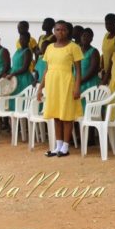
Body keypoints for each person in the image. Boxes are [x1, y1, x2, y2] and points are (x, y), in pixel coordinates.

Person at [37, 20, 83, 158]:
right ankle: (57, 146)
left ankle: (65, 147)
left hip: (66, 83)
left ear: (67, 31)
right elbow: (46, 69)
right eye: (57, 29)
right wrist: (40, 87)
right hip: (52, 84)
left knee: (66, 115)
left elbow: (78, 70)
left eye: (63, 29)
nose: (60, 32)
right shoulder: (50, 47)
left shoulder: (73, 47)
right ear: (54, 31)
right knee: (56, 115)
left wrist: (77, 87)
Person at [7, 33, 35, 110]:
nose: (22, 41)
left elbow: (25, 68)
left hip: (23, 79)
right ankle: (17, 121)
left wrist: (13, 74)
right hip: (15, 79)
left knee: (23, 102)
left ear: (28, 40)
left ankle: (24, 121)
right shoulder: (18, 50)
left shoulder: (27, 51)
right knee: (14, 100)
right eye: (21, 39)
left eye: (24, 39)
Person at [79, 28, 101, 98]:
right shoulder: (77, 50)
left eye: (88, 36)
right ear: (81, 37)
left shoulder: (94, 51)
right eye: (84, 35)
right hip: (78, 83)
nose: (85, 38)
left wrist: (80, 81)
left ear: (91, 39)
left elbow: (93, 70)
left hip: (89, 83)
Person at [101, 14, 115, 78]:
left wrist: (108, 73)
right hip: (105, 72)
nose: (108, 26)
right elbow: (104, 54)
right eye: (106, 24)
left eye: (110, 24)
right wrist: (103, 69)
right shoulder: (106, 35)